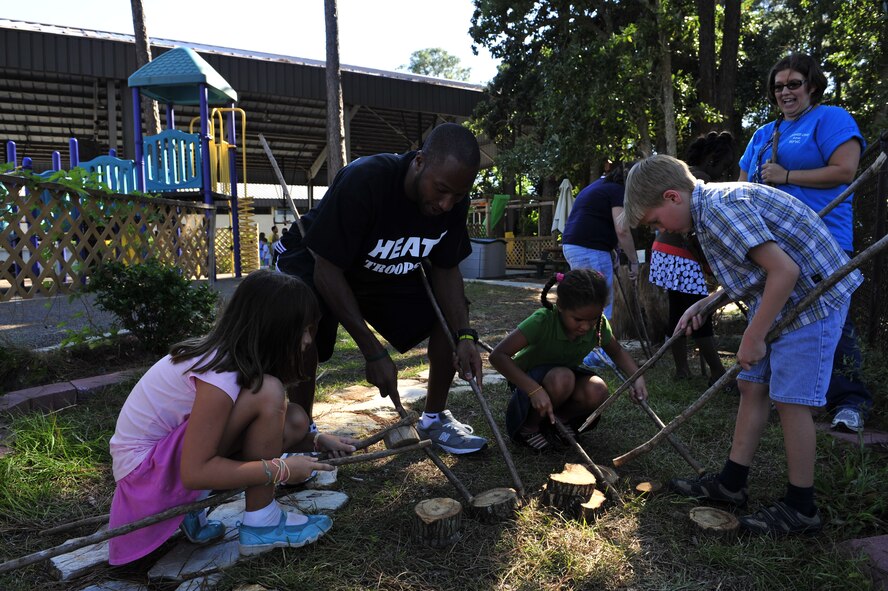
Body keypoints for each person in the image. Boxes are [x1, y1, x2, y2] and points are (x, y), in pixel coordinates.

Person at [624, 155, 862, 536]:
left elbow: (785, 270)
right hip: (782, 295)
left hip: (812, 300)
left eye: (654, 221)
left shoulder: (720, 210)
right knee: (751, 385)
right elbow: (756, 268)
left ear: (672, 197)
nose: (659, 230)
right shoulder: (707, 211)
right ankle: (731, 484)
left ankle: (802, 508)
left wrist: (752, 336)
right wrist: (708, 301)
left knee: (791, 401)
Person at [107, 271, 357, 563]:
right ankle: (261, 522)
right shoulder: (220, 373)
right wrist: (282, 470)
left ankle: (194, 507)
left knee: (295, 420)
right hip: (146, 480)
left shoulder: (227, 357)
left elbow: (245, 432)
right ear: (272, 330)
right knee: (270, 391)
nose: (306, 341)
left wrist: (315, 440)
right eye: (301, 330)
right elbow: (195, 472)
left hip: (157, 466)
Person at [275, 122, 488, 455]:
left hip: (380, 271)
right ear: (419, 162)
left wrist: (464, 336)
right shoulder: (367, 179)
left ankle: (434, 418)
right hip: (320, 260)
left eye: (457, 195)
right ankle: (304, 432)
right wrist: (373, 352)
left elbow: (446, 269)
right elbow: (328, 272)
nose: (447, 204)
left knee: (449, 316)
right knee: (300, 323)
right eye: (441, 189)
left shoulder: (453, 202)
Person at [738, 52, 871, 433]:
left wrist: (787, 174)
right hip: (775, 245)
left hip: (823, 239)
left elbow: (845, 170)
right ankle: (781, 395)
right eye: (779, 86)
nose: (785, 92)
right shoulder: (763, 134)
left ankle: (851, 402)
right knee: (776, 319)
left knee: (830, 321)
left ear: (812, 85)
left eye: (794, 84)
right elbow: (744, 186)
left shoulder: (830, 118)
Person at [489, 269, 648, 451]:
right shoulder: (543, 320)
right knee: (563, 378)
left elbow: (617, 351)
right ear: (561, 306)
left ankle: (559, 421)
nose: (586, 326)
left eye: (592, 319)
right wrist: (533, 390)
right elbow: (498, 356)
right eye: (578, 319)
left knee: (598, 389)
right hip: (528, 383)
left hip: (564, 379)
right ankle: (529, 427)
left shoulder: (598, 325)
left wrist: (637, 378)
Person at [648, 132, 734, 385]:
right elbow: (693, 233)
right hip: (681, 257)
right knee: (699, 313)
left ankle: (682, 370)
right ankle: (718, 372)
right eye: (723, 166)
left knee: (679, 311)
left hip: (664, 254)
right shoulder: (701, 179)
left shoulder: (683, 173)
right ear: (711, 160)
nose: (723, 173)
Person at [561, 162, 640, 321]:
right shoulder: (618, 190)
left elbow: (602, 222)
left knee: (585, 300)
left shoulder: (598, 186)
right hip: (590, 249)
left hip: (572, 246)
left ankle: (585, 343)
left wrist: (614, 253)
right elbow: (622, 230)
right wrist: (634, 261)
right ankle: (599, 345)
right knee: (600, 305)